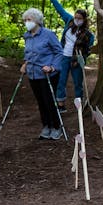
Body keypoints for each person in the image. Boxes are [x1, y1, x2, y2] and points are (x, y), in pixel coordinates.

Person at [47, 0, 95, 113]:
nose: (77, 19)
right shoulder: (69, 22)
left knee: (78, 82)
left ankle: (79, 105)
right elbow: (60, 9)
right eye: (76, 17)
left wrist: (82, 58)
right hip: (64, 56)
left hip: (76, 60)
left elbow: (88, 49)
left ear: (84, 20)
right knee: (61, 80)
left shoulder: (88, 35)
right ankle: (61, 104)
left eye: (80, 18)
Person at [20, 8, 65, 140]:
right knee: (40, 102)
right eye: (25, 20)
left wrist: (52, 67)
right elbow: (28, 54)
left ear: (37, 21)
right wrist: (25, 64)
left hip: (48, 75)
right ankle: (46, 126)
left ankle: (56, 127)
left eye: (29, 20)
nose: (27, 22)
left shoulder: (48, 34)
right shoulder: (27, 35)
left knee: (49, 101)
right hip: (33, 74)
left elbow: (59, 52)